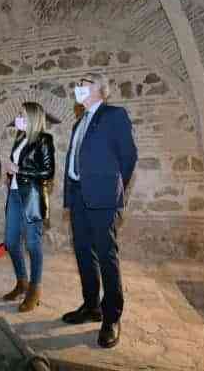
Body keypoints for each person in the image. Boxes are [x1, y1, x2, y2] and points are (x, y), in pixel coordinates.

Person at [62, 72, 137, 348]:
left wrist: (114, 187)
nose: (77, 88)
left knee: (106, 255)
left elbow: (129, 156)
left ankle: (112, 317)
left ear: (98, 88)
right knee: (83, 252)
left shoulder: (114, 115)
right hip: (78, 195)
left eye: (82, 84)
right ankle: (91, 305)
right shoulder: (78, 123)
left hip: (103, 196)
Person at [3, 102, 55, 312]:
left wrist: (19, 170)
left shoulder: (44, 139)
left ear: (33, 118)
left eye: (22, 114)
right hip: (15, 195)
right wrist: (10, 172)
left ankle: (35, 289)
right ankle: (22, 282)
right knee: (10, 242)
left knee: (33, 245)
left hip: (32, 197)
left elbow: (48, 172)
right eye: (18, 114)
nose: (18, 117)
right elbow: (16, 165)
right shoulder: (19, 138)